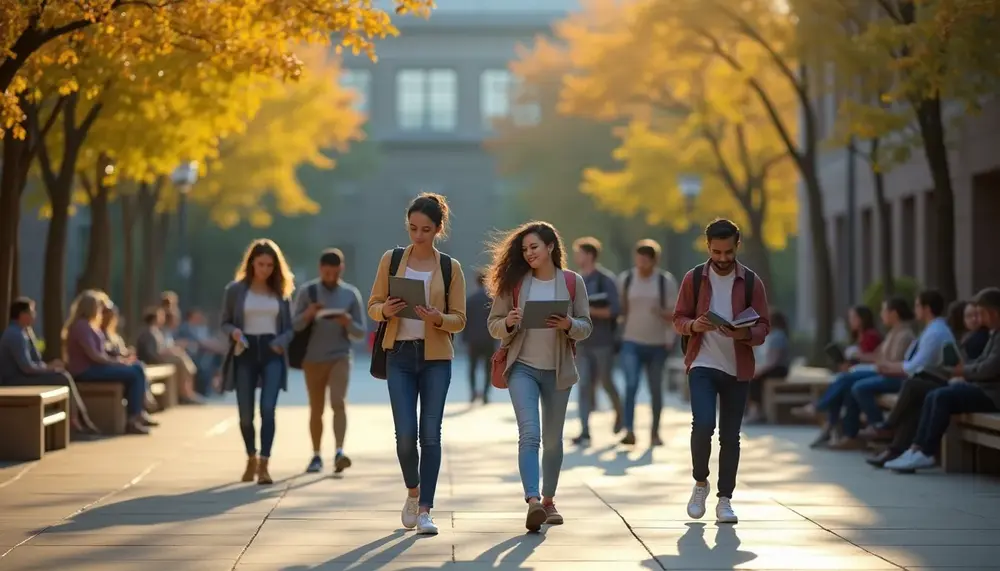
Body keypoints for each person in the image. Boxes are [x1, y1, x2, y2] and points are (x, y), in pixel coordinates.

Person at [367, 193, 467, 536]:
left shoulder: (449, 267)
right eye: (412, 228)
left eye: (425, 229)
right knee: (406, 435)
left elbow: (460, 320)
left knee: (431, 436)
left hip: (436, 358)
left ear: (438, 229)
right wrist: (386, 311)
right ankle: (413, 491)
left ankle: (425, 509)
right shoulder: (392, 260)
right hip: (399, 355)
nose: (418, 235)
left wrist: (438, 317)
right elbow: (373, 305)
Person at [485, 221, 592, 532]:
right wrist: (509, 321)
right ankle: (532, 501)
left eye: (534, 247)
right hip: (522, 368)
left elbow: (586, 326)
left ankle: (549, 500)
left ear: (550, 247)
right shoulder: (516, 284)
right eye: (524, 249)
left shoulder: (572, 283)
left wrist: (569, 323)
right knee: (529, 434)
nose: (529, 253)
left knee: (553, 441)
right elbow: (493, 324)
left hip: (558, 370)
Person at [673, 218, 770, 524]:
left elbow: (764, 325)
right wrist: (693, 325)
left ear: (736, 246)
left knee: (731, 437)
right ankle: (700, 482)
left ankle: (724, 499)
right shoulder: (695, 278)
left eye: (729, 252)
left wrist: (743, 334)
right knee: (703, 425)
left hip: (737, 369)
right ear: (708, 247)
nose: (723, 258)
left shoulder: (752, 282)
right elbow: (678, 318)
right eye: (717, 252)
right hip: (702, 362)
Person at [884, 287, 1000, 473]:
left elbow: (990, 367)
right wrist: (963, 370)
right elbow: (982, 363)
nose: (980, 318)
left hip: (992, 395)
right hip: (982, 388)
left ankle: (926, 452)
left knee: (941, 397)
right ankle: (916, 449)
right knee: (934, 395)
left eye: (982, 313)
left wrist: (962, 371)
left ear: (993, 312)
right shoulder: (994, 333)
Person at [833, 290, 955, 450]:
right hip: (912, 377)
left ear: (926, 309)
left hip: (916, 379)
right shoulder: (928, 330)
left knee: (858, 385)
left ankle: (883, 431)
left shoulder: (931, 332)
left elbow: (913, 366)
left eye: (917, 305)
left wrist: (886, 366)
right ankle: (878, 433)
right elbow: (908, 363)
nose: (915, 309)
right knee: (850, 380)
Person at [791, 298, 916, 448]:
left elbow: (893, 361)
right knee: (849, 383)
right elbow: (879, 356)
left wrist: (861, 358)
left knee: (850, 382)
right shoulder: (893, 333)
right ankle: (849, 434)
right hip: (883, 372)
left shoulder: (904, 335)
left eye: (884, 311)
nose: (881, 315)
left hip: (893, 376)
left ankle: (875, 427)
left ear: (894, 313)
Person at [220, 238, 296, 485]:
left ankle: (264, 464)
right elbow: (225, 321)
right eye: (261, 264)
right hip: (246, 350)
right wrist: (233, 332)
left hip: (272, 351)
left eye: (270, 265)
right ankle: (250, 456)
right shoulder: (235, 290)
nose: (265, 269)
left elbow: (290, 328)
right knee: (244, 414)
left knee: (267, 409)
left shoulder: (281, 292)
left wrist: (281, 341)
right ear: (251, 263)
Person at [292, 247, 366, 475]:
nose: (331, 277)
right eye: (326, 273)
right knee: (316, 408)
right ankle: (315, 454)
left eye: (335, 273)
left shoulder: (350, 294)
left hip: (339, 356)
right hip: (312, 359)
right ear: (320, 269)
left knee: (338, 401)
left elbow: (361, 332)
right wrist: (309, 313)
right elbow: (294, 325)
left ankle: (339, 452)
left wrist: (347, 322)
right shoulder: (307, 291)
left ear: (341, 269)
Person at [0, 297, 99, 435]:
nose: (35, 315)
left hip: (24, 377)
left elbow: (36, 361)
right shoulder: (14, 335)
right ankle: (77, 420)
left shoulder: (25, 332)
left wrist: (49, 365)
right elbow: (27, 368)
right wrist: (49, 368)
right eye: (32, 312)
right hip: (15, 380)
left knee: (61, 375)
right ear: (22, 315)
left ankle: (79, 418)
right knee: (62, 377)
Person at [64, 290, 153, 434]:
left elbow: (101, 353)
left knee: (137, 367)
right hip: (86, 371)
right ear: (90, 307)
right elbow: (94, 356)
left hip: (95, 368)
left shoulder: (88, 326)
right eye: (98, 307)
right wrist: (117, 362)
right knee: (134, 373)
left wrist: (120, 359)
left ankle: (137, 414)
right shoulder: (81, 326)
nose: (101, 310)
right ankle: (133, 419)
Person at [617, 239, 678, 447]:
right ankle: (629, 430)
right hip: (631, 340)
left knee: (655, 389)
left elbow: (676, 314)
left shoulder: (664, 281)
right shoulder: (626, 279)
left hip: (657, 343)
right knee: (631, 384)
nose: (641, 263)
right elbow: (620, 309)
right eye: (639, 258)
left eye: (646, 259)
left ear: (654, 260)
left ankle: (655, 433)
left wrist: (661, 315)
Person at [570, 237, 623, 445]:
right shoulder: (576, 281)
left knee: (606, 382)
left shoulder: (605, 280)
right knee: (584, 386)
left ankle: (620, 414)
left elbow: (615, 311)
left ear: (589, 255)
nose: (576, 257)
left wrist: (589, 311)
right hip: (583, 343)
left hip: (603, 342)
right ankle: (585, 431)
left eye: (579, 253)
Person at [745, 310, 791, 423]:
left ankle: (756, 411)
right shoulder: (769, 335)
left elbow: (773, 361)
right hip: (769, 367)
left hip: (777, 369)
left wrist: (759, 371)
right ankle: (751, 409)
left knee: (754, 380)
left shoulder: (778, 336)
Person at [463, 272, 496, 404]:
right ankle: (486, 394)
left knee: (472, 367)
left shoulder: (470, 299)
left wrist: (464, 338)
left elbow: (465, 320)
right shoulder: (492, 300)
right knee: (488, 369)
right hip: (489, 339)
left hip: (473, 340)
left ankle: (473, 392)